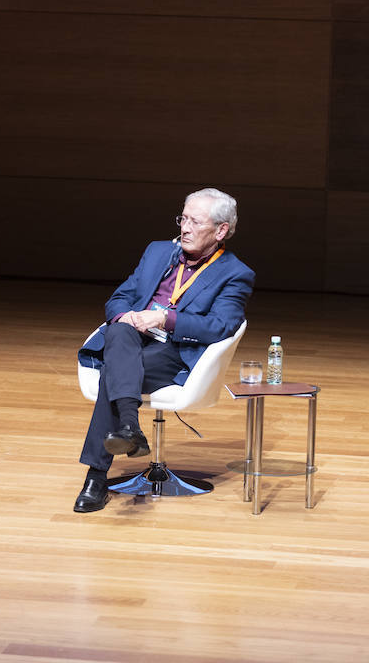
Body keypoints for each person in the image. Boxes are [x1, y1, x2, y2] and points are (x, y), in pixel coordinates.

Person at [74, 188, 255, 513]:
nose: (184, 227)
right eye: (182, 218)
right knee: (118, 332)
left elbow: (220, 325)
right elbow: (118, 297)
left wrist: (165, 318)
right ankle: (130, 428)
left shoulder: (234, 273)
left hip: (173, 350)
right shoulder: (158, 252)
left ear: (221, 230)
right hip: (129, 338)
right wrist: (124, 316)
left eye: (194, 221)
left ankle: (96, 477)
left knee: (116, 369)